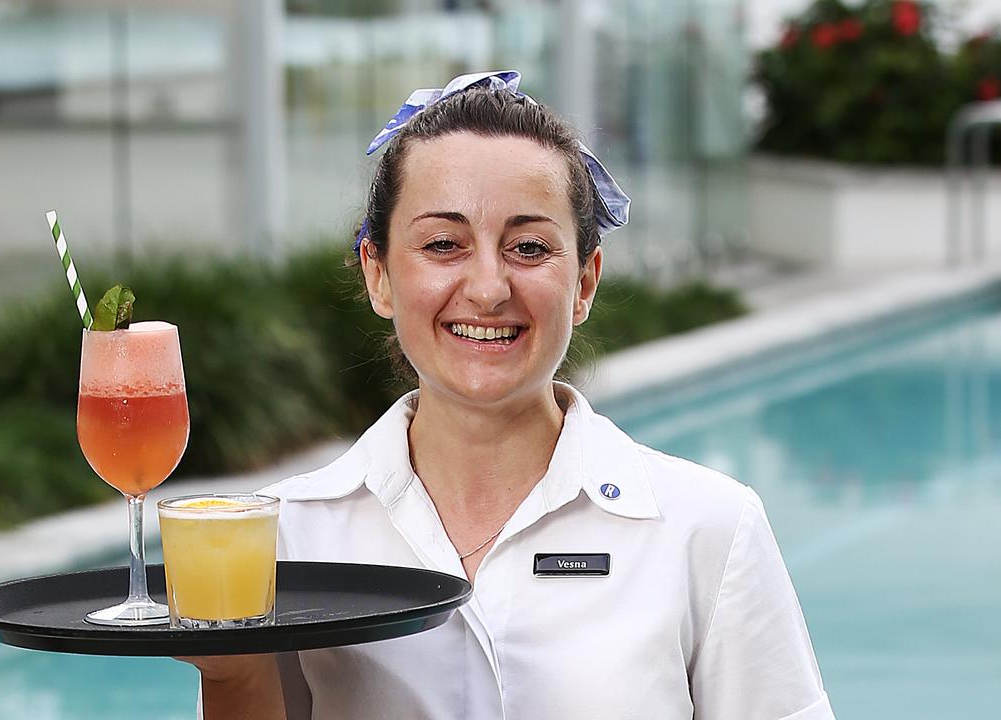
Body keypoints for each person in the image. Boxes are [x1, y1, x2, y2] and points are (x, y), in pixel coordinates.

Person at [188, 71, 834, 720]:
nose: (489, 287)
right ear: (378, 274)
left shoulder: (709, 531)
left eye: (528, 247)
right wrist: (233, 677)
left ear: (584, 283)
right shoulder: (284, 536)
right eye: (444, 244)